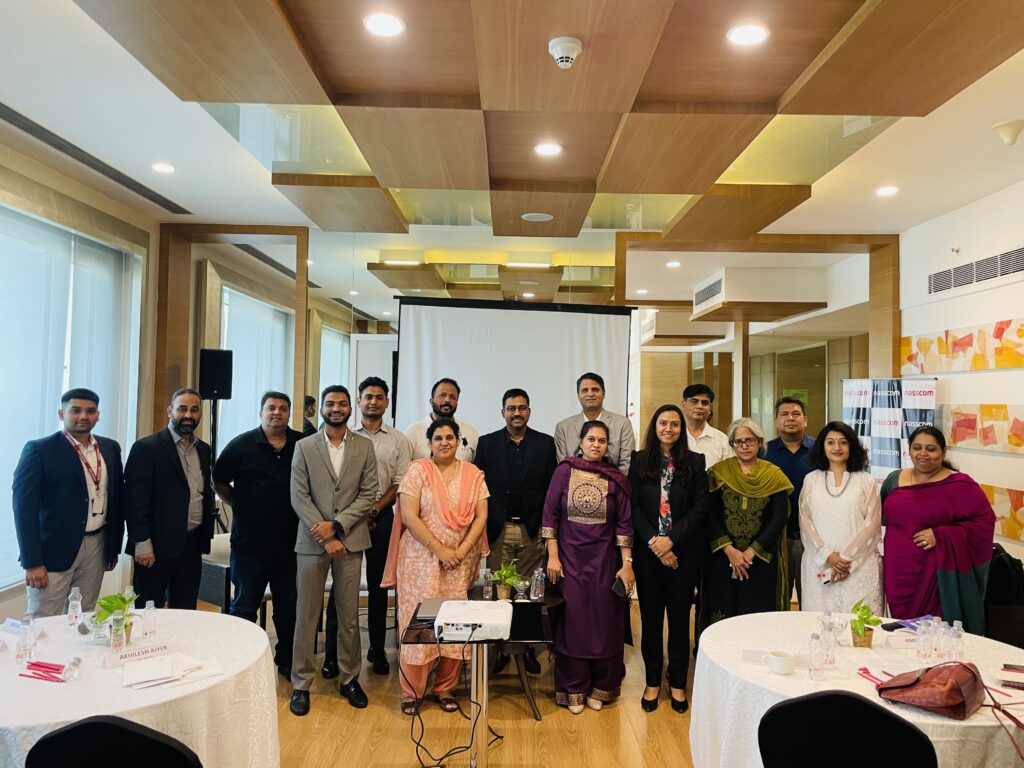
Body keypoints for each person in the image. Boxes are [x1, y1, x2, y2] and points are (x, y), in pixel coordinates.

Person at [385, 417, 489, 715]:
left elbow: (481, 516)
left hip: (459, 560)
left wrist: (462, 550)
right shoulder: (417, 471)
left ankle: (445, 688)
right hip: (420, 560)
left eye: (450, 437)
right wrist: (440, 550)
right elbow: (409, 516)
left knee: (454, 623)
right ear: (429, 443)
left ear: (459, 441)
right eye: (438, 438)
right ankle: (412, 691)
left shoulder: (473, 474)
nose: (444, 442)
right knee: (420, 622)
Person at [288, 385, 378, 716]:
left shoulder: (364, 446)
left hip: (351, 541)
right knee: (306, 614)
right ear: (322, 409)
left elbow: (369, 493)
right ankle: (301, 682)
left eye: (342, 403)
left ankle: (349, 679)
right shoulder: (304, 446)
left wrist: (337, 526)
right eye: (330, 404)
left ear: (350, 408)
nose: (336, 408)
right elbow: (299, 496)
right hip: (312, 543)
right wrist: (325, 535)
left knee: (349, 615)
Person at [322, 376, 412, 679]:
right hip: (345, 520)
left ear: (386, 402)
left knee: (378, 587)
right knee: (341, 587)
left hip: (381, 518)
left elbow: (400, 482)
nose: (373, 402)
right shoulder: (342, 435)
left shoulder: (399, 440)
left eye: (379, 397)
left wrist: (373, 510)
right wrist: (355, 514)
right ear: (358, 402)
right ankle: (332, 653)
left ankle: (377, 649)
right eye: (368, 397)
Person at [543, 420, 633, 714]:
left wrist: (627, 564)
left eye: (602, 440)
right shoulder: (564, 471)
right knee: (573, 624)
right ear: (580, 442)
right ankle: (573, 688)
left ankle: (602, 687)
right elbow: (550, 516)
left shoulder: (615, 478)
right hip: (569, 561)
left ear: (608, 446)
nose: (596, 444)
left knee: (605, 624)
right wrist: (553, 555)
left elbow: (624, 525)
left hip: (605, 562)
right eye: (591, 439)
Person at [212, 391, 304, 679]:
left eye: (282, 408)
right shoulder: (241, 444)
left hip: (291, 546)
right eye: (270, 408)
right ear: (261, 412)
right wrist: (239, 502)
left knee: (288, 608)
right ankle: (241, 663)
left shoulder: (302, 443)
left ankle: (286, 661)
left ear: (289, 413)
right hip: (249, 546)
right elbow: (218, 479)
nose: (276, 412)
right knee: (244, 607)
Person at [12, 388, 124, 617]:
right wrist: (32, 562)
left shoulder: (110, 448)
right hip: (54, 550)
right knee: (43, 617)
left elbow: (117, 499)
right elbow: (24, 508)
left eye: (90, 411)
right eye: (76, 410)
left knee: (84, 614)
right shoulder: (40, 450)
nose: (83, 416)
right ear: (62, 414)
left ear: (98, 415)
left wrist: (113, 549)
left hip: (98, 544)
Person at [628, 405, 708, 714]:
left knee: (678, 620)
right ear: (655, 426)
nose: (669, 429)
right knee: (650, 620)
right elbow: (634, 506)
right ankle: (651, 681)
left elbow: (700, 508)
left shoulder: (695, 461)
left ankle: (677, 682)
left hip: (683, 553)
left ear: (681, 429)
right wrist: (656, 542)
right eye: (663, 423)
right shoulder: (639, 460)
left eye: (675, 424)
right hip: (649, 553)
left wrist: (671, 541)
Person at [880, 425, 995, 633]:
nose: (923, 454)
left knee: (934, 631)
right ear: (909, 450)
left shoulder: (960, 485)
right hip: (898, 569)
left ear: (943, 452)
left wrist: (941, 535)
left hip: (937, 574)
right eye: (917, 447)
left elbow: (984, 523)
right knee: (901, 629)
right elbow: (883, 517)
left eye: (931, 449)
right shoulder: (893, 480)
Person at [474, 387, 557, 675]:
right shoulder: (487, 444)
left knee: (529, 593)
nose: (517, 413)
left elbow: (551, 489)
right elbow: (479, 487)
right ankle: (499, 650)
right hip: (499, 528)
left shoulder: (545, 444)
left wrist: (546, 528)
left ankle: (525, 648)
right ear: (503, 412)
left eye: (522, 408)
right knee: (499, 591)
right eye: (511, 408)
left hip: (531, 529)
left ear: (529, 412)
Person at [125, 387, 215, 609]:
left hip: (192, 545)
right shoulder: (147, 448)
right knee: (148, 611)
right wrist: (141, 542)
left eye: (194, 410)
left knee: (186, 611)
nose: (188, 415)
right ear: (169, 411)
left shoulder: (204, 450)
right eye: (182, 409)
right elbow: (135, 501)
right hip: (154, 548)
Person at [700, 418, 792, 629]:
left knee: (757, 615)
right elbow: (710, 514)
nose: (744, 446)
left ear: (759, 442)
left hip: (760, 559)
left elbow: (779, 517)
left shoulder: (774, 475)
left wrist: (751, 552)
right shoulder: (718, 473)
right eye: (738, 441)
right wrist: (729, 550)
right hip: (723, 558)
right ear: (732, 445)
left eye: (749, 440)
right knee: (723, 611)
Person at [798, 421, 882, 615]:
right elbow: (805, 521)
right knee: (819, 621)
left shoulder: (866, 480)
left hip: (858, 566)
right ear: (822, 446)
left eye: (843, 442)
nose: (837, 447)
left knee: (859, 624)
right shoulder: (811, 480)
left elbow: (872, 523)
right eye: (830, 442)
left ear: (852, 446)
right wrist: (828, 555)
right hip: (819, 563)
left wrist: (844, 560)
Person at [763, 396, 815, 608]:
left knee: (811, 598)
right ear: (776, 421)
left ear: (805, 420)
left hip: (812, 539)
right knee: (777, 597)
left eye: (796, 414)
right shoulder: (764, 451)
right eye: (784, 414)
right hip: (776, 538)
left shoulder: (820, 450)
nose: (790, 418)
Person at [554, 373, 635, 472]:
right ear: (578, 395)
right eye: (585, 390)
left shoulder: (622, 424)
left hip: (613, 480)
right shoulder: (563, 427)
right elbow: (563, 466)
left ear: (603, 393)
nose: (590, 394)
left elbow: (626, 463)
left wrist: (615, 481)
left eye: (595, 389)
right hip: (573, 481)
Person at [406, 378, 479, 461]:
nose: (447, 400)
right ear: (431, 401)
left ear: (457, 403)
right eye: (442, 395)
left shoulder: (470, 432)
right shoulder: (414, 431)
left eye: (452, 397)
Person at [680, 384, 732, 467]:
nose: (699, 406)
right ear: (684, 404)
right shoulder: (674, 435)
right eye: (694, 401)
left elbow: (729, 471)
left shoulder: (722, 440)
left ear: (710, 408)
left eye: (705, 403)